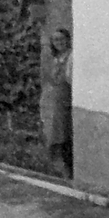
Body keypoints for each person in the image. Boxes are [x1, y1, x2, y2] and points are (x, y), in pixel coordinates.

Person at [45, 27, 73, 177]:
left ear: (67, 40)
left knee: (66, 134)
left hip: (66, 100)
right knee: (58, 134)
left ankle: (69, 169)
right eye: (55, 40)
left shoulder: (71, 57)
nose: (59, 42)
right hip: (56, 102)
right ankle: (61, 169)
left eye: (62, 39)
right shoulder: (55, 59)